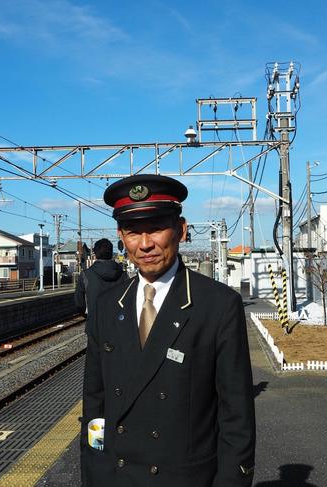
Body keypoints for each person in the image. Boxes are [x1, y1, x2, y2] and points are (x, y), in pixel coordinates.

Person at [81, 174, 256, 487]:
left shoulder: (217, 305)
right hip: (116, 477)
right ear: (121, 235)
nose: (145, 244)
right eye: (134, 232)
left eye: (157, 228)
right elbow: (95, 403)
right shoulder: (107, 307)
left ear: (181, 230)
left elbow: (236, 416)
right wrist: (94, 468)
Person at [74, 238, 125, 315]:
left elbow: (79, 304)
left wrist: (89, 317)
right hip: (119, 322)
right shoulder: (123, 274)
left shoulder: (86, 275)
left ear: (95, 253)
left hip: (94, 322)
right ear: (111, 253)